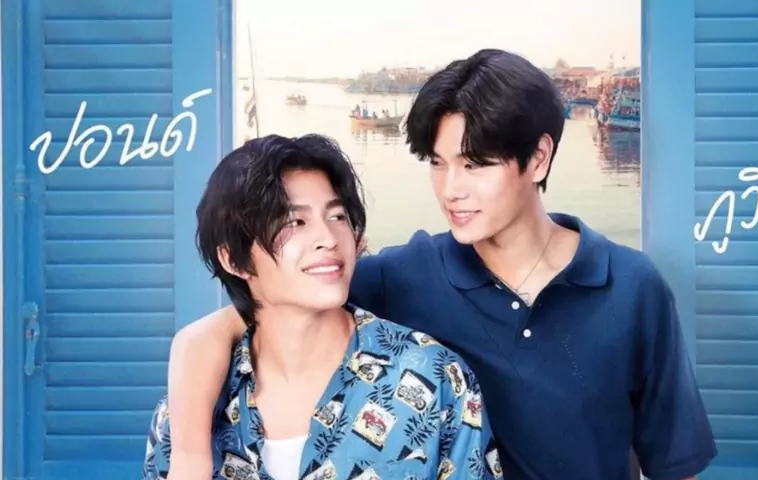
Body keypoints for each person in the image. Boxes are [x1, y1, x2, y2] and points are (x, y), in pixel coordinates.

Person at [166, 49, 717, 479]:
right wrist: (190, 455)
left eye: (474, 164)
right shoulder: (404, 276)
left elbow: (674, 466)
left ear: (539, 157)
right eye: (438, 163)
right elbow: (236, 321)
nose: (451, 189)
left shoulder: (632, 288)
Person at [142, 134, 500, 480]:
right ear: (234, 260)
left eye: (337, 216)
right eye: (294, 222)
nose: (328, 239)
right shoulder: (188, 411)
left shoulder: (435, 380)